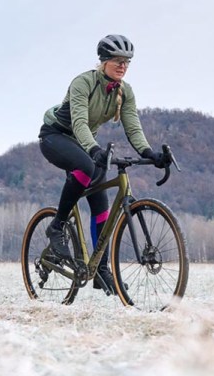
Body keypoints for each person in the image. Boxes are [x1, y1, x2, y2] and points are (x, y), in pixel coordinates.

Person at [38, 34, 167, 289]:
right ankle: (57, 226)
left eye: (127, 62)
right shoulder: (83, 83)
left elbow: (133, 128)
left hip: (84, 143)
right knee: (86, 166)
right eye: (118, 61)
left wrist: (149, 153)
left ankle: (100, 269)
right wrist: (94, 149)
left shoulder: (125, 92)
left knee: (101, 207)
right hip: (56, 136)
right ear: (104, 61)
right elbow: (79, 123)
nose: (123, 66)